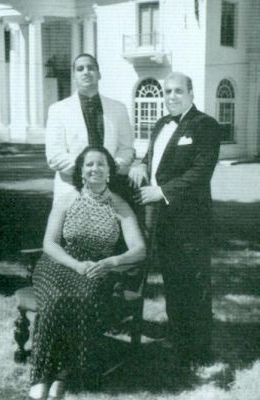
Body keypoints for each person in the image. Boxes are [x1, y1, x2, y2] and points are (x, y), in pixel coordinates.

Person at [28, 146, 146, 400]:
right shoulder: (67, 200)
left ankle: (63, 374)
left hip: (96, 267)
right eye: (89, 164)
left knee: (81, 299)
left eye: (101, 164)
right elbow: (50, 243)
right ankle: (41, 375)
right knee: (55, 299)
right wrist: (74, 264)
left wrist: (111, 262)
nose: (95, 169)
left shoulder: (120, 206)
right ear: (81, 171)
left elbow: (139, 250)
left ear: (109, 171)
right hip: (58, 263)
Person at [129, 72, 220, 371]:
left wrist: (161, 192)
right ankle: (180, 342)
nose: (171, 96)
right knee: (173, 283)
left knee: (194, 285)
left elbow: (199, 173)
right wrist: (140, 164)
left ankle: (200, 352)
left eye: (178, 91)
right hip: (163, 222)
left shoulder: (205, 125)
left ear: (191, 93)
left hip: (191, 222)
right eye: (167, 92)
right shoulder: (160, 124)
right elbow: (153, 158)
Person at [45, 53, 134, 201]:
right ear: (74, 76)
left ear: (99, 74)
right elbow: (54, 156)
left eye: (91, 68)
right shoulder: (58, 110)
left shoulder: (119, 108)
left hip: (111, 190)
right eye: (80, 69)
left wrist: (109, 169)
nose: (86, 72)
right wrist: (91, 171)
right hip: (71, 190)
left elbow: (127, 149)